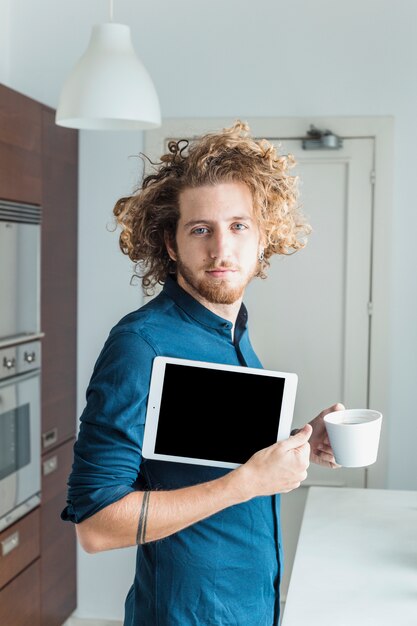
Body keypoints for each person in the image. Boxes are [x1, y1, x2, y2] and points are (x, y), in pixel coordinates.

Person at [62, 120, 342, 626]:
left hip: (252, 607)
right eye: (200, 229)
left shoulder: (233, 330)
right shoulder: (139, 345)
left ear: (263, 239)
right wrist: (248, 483)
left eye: (238, 226)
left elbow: (213, 452)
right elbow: (96, 526)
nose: (220, 250)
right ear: (171, 244)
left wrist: (300, 439)